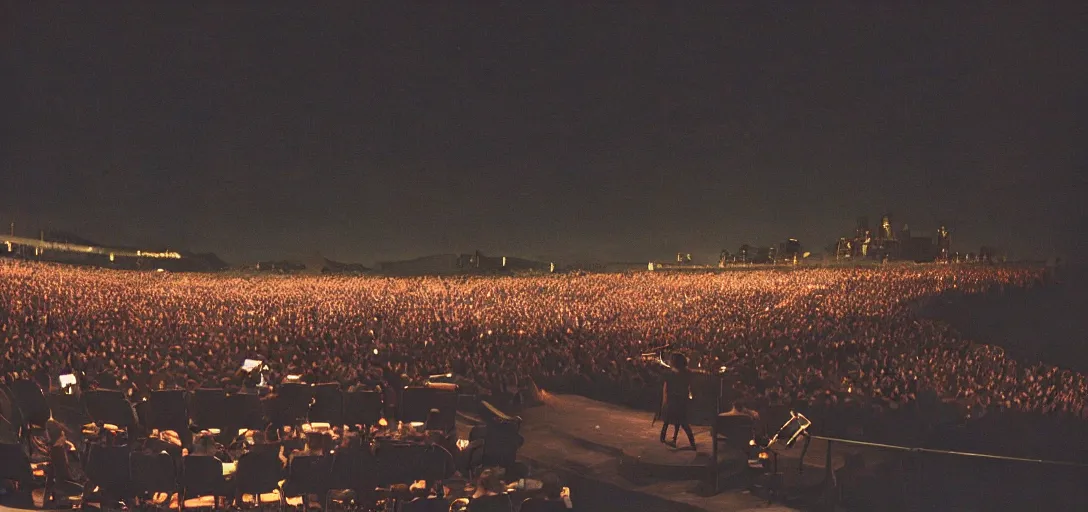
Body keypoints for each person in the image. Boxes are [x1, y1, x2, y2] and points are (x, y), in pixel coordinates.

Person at [658, 352, 696, 450]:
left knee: (668, 419)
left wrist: (664, 401)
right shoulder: (687, 373)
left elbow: (666, 389)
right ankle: (690, 443)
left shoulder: (670, 374)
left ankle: (663, 438)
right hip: (682, 400)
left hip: (673, 400)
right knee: (682, 422)